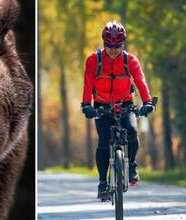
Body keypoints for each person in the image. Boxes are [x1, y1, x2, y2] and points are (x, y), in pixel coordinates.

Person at [80, 21, 155, 200]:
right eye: (109, 46)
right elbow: (88, 82)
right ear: (104, 43)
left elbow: (140, 82)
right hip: (102, 107)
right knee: (105, 139)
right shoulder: (93, 60)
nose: (113, 50)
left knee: (131, 131)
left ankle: (132, 164)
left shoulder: (130, 61)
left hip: (125, 105)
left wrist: (147, 102)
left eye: (118, 46)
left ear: (123, 44)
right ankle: (102, 182)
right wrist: (86, 105)